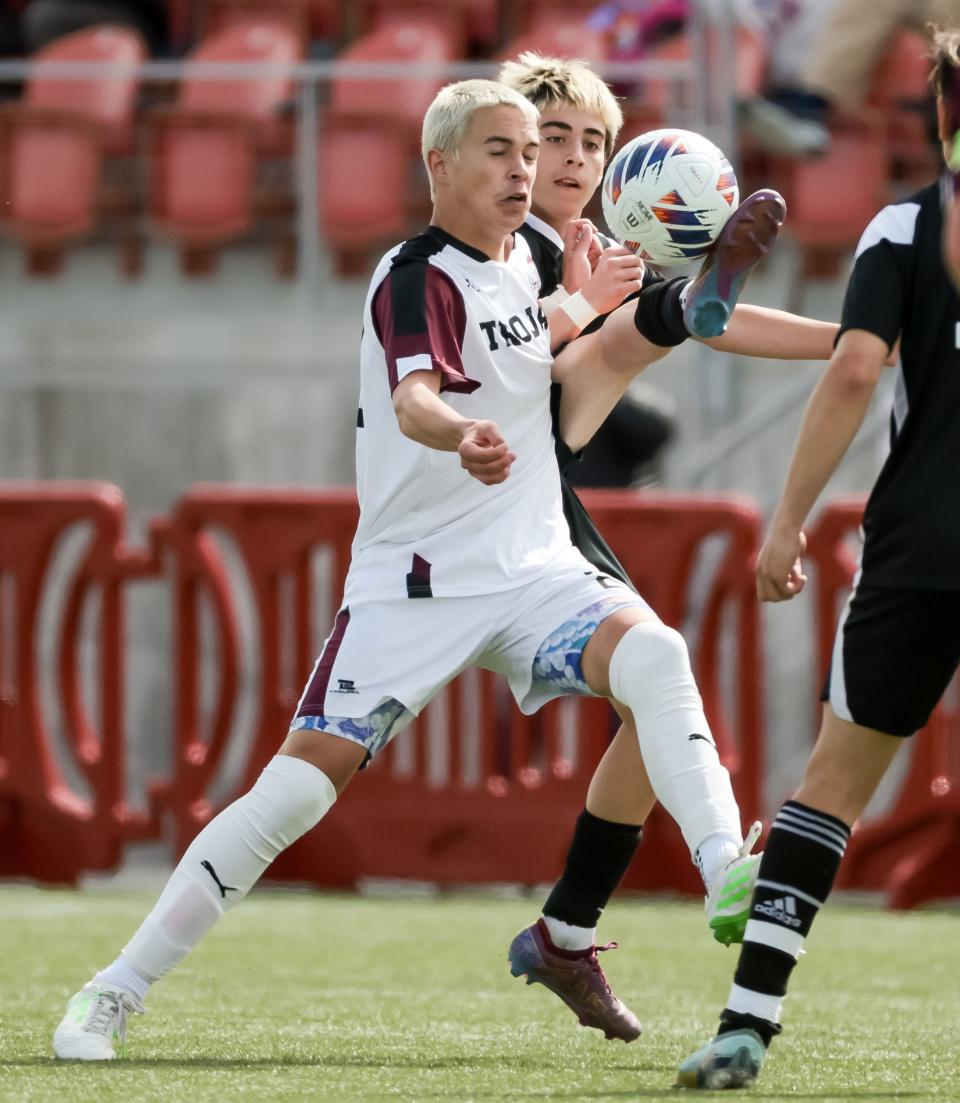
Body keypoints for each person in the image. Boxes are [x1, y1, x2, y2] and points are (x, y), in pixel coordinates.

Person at [50, 76, 768, 1061]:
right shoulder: (414, 274)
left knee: (656, 654)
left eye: (532, 152)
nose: (525, 168)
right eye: (501, 150)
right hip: (414, 585)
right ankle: (111, 990)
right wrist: (461, 428)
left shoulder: (530, 263)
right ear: (440, 164)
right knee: (294, 796)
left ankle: (729, 866)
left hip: (530, 571)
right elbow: (415, 397)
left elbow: (551, 341)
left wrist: (600, 309)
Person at [497, 51, 839, 1044]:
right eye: (549, 135)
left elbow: (699, 332)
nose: (571, 156)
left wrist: (851, 339)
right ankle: (134, 967)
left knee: (654, 683)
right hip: (456, 520)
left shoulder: (596, 250)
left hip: (539, 502)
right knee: (304, 777)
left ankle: (570, 927)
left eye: (591, 141)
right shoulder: (488, 247)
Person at [677, 27, 960, 1091]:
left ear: (938, 113)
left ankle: (747, 1022)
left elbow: (853, 369)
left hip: (922, 548)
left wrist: (788, 518)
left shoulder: (905, 225)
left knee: (828, 793)